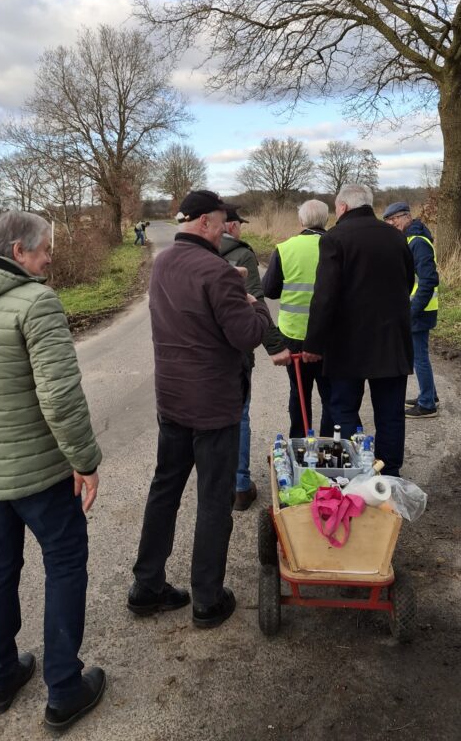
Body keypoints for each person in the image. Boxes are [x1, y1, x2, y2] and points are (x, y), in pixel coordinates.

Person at [128, 190, 272, 629]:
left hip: (172, 401)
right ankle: (207, 599)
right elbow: (247, 335)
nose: (226, 229)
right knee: (213, 499)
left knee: (165, 490)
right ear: (206, 222)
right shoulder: (219, 272)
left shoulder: (163, 262)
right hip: (213, 407)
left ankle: (146, 586)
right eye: (222, 222)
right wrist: (254, 303)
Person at [0, 210, 105, 731]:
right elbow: (59, 398)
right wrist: (84, 461)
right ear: (18, 251)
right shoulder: (36, 303)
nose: (50, 259)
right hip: (39, 474)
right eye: (44, 250)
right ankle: (64, 689)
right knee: (64, 563)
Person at [301, 184, 414, 477]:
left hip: (347, 344)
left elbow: (325, 296)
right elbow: (408, 281)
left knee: (344, 409)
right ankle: (389, 473)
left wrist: (313, 343)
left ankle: (352, 472)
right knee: (390, 412)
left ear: (342, 207)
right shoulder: (396, 235)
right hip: (391, 340)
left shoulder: (335, 238)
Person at [220, 208, 290, 511]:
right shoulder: (241, 254)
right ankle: (239, 487)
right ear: (231, 226)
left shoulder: (190, 254)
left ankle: (216, 484)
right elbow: (254, 302)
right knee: (239, 415)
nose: (240, 231)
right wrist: (275, 347)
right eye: (239, 225)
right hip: (235, 352)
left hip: (201, 355)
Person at [261, 199, 333, 438]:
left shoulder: (285, 248)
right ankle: (329, 445)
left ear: (301, 220)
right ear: (326, 220)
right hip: (329, 335)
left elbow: (269, 290)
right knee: (330, 394)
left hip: (293, 335)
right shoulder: (337, 245)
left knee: (299, 392)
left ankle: (300, 443)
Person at [383, 201, 439, 419]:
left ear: (406, 217)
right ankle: (430, 395)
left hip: (419, 309)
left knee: (419, 357)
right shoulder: (412, 239)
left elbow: (428, 280)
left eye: (394, 219)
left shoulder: (417, 242)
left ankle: (427, 405)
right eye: (389, 221)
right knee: (420, 354)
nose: (392, 224)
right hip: (419, 307)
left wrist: (411, 310)